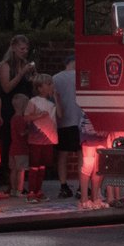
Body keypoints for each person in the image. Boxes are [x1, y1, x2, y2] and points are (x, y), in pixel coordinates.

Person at [0, 34, 38, 201]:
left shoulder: (25, 65)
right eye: (22, 48)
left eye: (26, 49)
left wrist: (33, 76)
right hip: (9, 108)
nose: (24, 52)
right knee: (8, 143)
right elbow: (6, 88)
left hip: (24, 109)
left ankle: (20, 182)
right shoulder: (5, 66)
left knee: (24, 145)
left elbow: (31, 87)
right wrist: (20, 74)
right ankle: (8, 181)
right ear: (13, 48)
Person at [50, 53, 85, 198]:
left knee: (62, 155)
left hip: (62, 121)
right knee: (81, 155)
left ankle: (63, 185)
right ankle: (82, 186)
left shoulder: (55, 78)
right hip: (80, 119)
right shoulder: (82, 76)